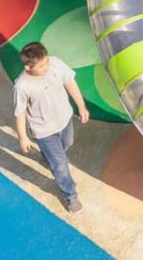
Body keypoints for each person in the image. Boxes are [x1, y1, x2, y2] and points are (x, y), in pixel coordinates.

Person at [14, 40, 91, 213]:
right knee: (60, 164)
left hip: (65, 119)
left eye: (47, 61)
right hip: (44, 131)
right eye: (41, 66)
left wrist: (81, 106)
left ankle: (47, 156)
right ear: (28, 67)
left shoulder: (55, 64)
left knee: (68, 143)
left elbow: (70, 83)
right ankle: (70, 195)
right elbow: (20, 112)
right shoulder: (22, 86)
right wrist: (23, 137)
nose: (47, 67)